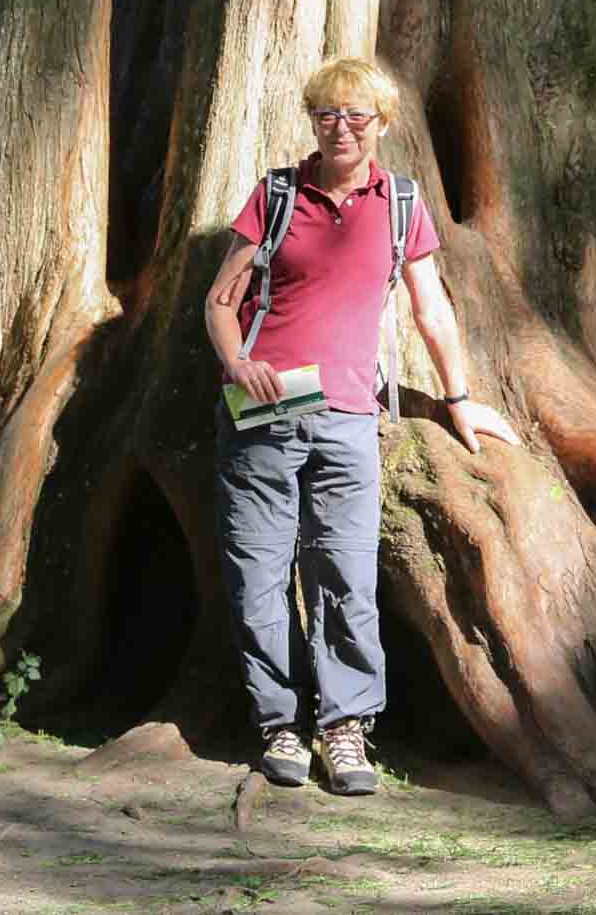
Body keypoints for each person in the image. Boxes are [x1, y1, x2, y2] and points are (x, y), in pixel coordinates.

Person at [202, 56, 513, 795]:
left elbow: (431, 310)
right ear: (313, 121)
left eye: (356, 116)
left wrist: (459, 396)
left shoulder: (401, 203)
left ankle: (345, 731)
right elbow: (220, 302)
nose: (340, 128)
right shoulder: (278, 195)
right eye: (327, 115)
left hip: (347, 418)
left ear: (381, 124)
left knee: (346, 577)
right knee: (259, 577)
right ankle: (280, 722)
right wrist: (235, 366)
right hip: (264, 417)